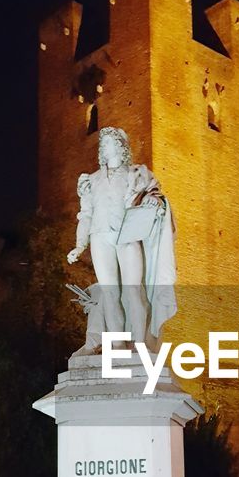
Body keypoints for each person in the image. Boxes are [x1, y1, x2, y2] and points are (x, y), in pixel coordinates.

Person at [67, 126, 176, 352]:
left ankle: (139, 345)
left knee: (133, 290)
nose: (103, 147)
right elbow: (85, 215)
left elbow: (156, 197)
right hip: (99, 236)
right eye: (102, 143)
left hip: (128, 235)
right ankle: (117, 347)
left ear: (119, 146)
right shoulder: (91, 180)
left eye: (107, 142)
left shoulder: (135, 174)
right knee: (109, 293)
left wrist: (153, 201)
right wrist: (79, 245)